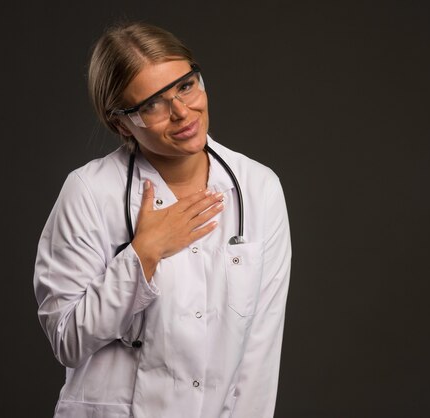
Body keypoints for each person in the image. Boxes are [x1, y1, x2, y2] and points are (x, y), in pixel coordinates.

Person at [33, 21, 291, 418]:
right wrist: (143, 255)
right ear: (121, 123)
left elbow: (260, 350)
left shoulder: (257, 189)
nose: (182, 113)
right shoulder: (89, 192)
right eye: (152, 104)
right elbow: (66, 339)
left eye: (186, 86)